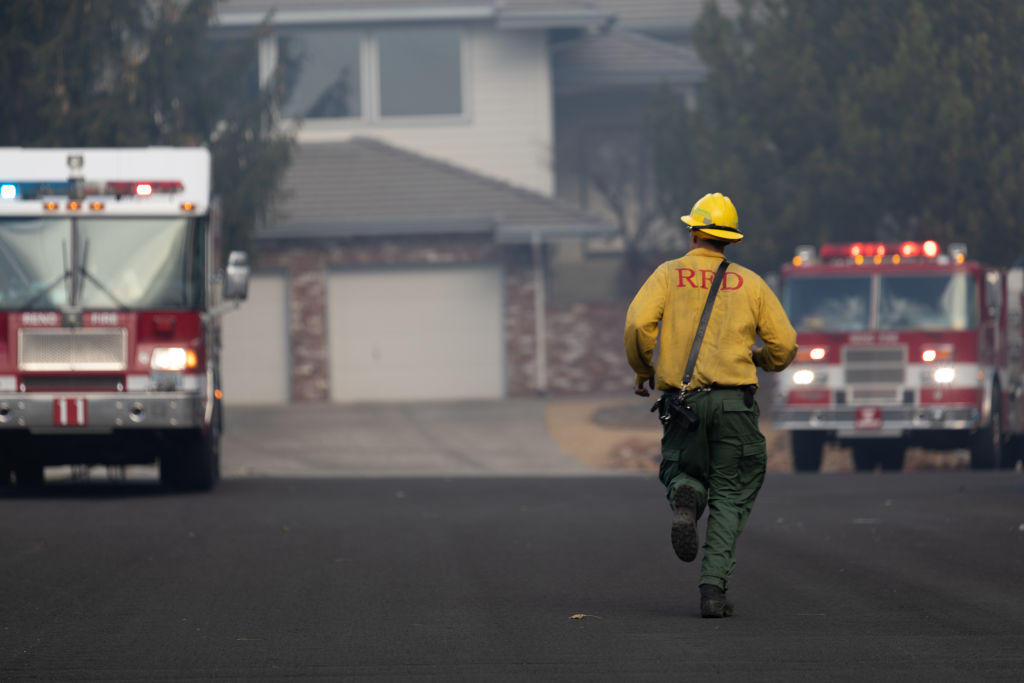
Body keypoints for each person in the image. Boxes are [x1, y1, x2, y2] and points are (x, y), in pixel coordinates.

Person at [623, 192, 797, 618]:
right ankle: (713, 591)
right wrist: (758, 359)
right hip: (735, 406)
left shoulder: (668, 274)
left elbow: (638, 324)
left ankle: (689, 494)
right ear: (730, 239)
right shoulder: (752, 283)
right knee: (732, 494)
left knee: (681, 467)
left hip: (682, 402)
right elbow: (785, 346)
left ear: (694, 232)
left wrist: (644, 367)